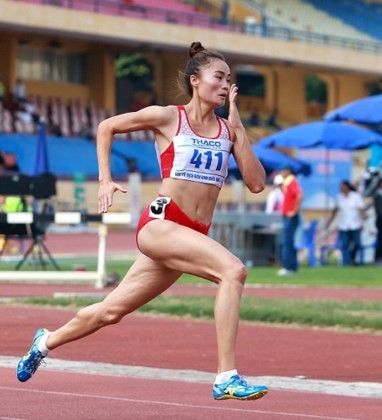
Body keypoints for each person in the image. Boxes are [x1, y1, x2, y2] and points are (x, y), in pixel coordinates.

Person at [16, 41, 269, 401]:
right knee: (233, 270)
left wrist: (239, 130)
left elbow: (257, 184)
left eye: (230, 79)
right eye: (219, 77)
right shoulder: (169, 117)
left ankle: (44, 343)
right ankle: (225, 376)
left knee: (110, 311)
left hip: (191, 233)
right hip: (163, 223)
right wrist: (105, 178)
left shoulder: (229, 132)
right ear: (195, 81)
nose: (226, 85)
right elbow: (106, 127)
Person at [327, 180, 365, 266]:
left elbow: (361, 210)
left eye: (343, 186)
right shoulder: (339, 197)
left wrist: (362, 222)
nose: (341, 188)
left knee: (358, 243)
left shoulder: (356, 197)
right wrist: (330, 222)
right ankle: (346, 263)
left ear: (347, 187)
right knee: (344, 244)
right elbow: (335, 210)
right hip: (343, 225)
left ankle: (352, 257)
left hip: (355, 224)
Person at [276, 165, 303, 275]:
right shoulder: (287, 183)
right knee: (289, 242)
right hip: (287, 216)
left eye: (282, 170)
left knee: (286, 242)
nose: (281, 173)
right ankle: (292, 267)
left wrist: (295, 210)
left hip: (290, 216)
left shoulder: (291, 181)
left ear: (288, 171)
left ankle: (288, 267)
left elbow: (299, 195)